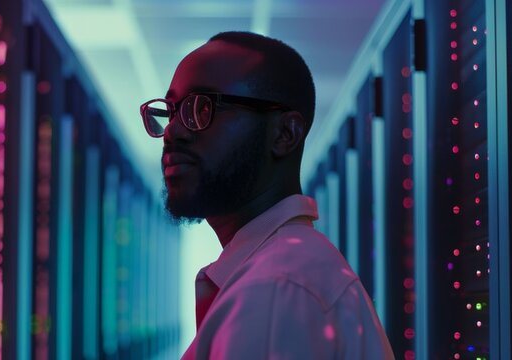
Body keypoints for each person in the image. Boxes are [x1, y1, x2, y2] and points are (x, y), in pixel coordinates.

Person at [140, 31, 394, 359]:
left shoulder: (275, 290)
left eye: (201, 108)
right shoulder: (286, 270)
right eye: (172, 111)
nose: (172, 131)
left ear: (285, 134)